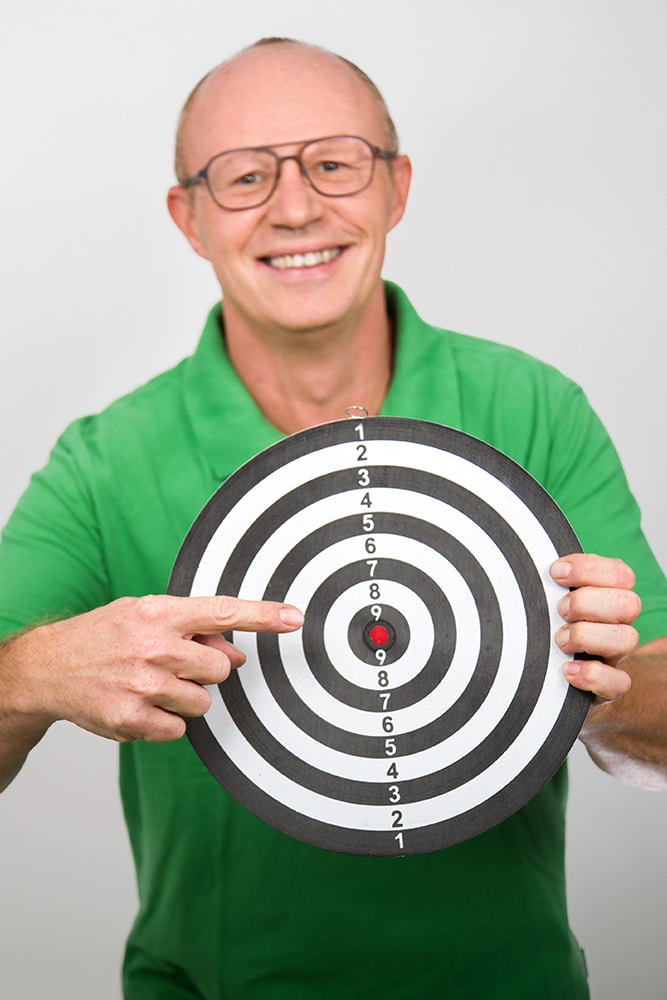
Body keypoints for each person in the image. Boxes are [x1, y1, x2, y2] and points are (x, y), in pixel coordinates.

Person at [1, 36, 666, 999]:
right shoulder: (105, 460)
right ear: (187, 219)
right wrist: (33, 673)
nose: (298, 206)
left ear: (396, 187)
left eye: (334, 162)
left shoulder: (534, 408)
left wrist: (602, 684)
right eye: (243, 176)